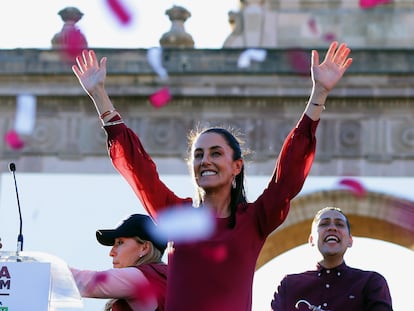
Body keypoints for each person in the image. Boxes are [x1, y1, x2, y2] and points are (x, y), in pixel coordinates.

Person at [72, 41, 352, 311]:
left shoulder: (254, 220)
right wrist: (99, 94)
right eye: (198, 155)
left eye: (216, 153)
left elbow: (288, 176)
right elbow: (138, 170)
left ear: (237, 167)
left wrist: (319, 95)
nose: (205, 160)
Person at [270, 206, 393, 311]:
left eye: (339, 224)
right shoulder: (289, 285)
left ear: (350, 240)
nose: (332, 228)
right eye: (324, 224)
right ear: (311, 240)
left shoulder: (371, 282)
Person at [70, 214, 168, 311]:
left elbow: (81, 281)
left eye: (120, 243)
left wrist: (55, 269)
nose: (111, 253)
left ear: (144, 248)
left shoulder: (138, 277)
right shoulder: (167, 278)